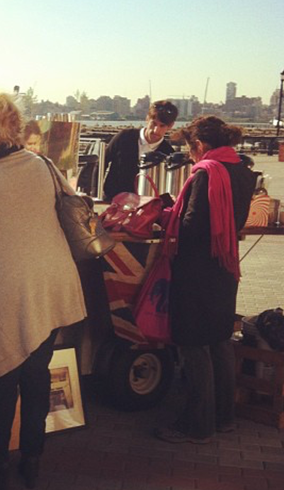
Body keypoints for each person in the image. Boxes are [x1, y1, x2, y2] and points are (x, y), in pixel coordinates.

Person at [0, 89, 87, 489]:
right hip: (50, 286)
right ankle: (33, 461)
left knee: (2, 385)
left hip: (8, 291)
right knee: (36, 376)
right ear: (16, 125)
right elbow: (72, 207)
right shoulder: (44, 165)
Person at [154, 116, 255, 444]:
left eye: (190, 148)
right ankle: (225, 417)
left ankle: (197, 425)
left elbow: (194, 226)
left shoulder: (206, 172)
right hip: (225, 267)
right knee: (220, 341)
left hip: (198, 271)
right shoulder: (242, 170)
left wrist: (167, 218)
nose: (191, 154)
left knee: (194, 343)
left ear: (199, 145)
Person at [102, 100, 178, 201]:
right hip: (112, 201)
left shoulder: (168, 153)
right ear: (147, 119)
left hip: (146, 208)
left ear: (170, 126)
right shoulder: (124, 137)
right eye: (154, 124)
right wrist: (95, 193)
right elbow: (102, 163)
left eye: (162, 126)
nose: (156, 130)